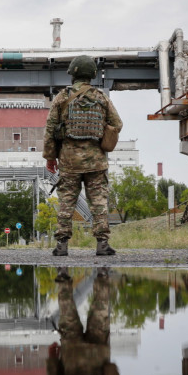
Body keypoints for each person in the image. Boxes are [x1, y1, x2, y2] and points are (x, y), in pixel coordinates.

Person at [44, 55, 123, 257]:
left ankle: (62, 245)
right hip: (96, 161)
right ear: (92, 75)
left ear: (72, 74)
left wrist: (50, 157)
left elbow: (51, 129)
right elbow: (117, 123)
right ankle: (102, 244)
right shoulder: (101, 97)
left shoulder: (62, 97)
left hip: (69, 160)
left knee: (66, 202)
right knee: (98, 202)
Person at [47, 267, 124, 375]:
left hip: (98, 353)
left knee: (100, 314)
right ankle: (63, 274)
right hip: (72, 356)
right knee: (68, 316)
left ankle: (102, 274)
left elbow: (110, 370)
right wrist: (53, 359)